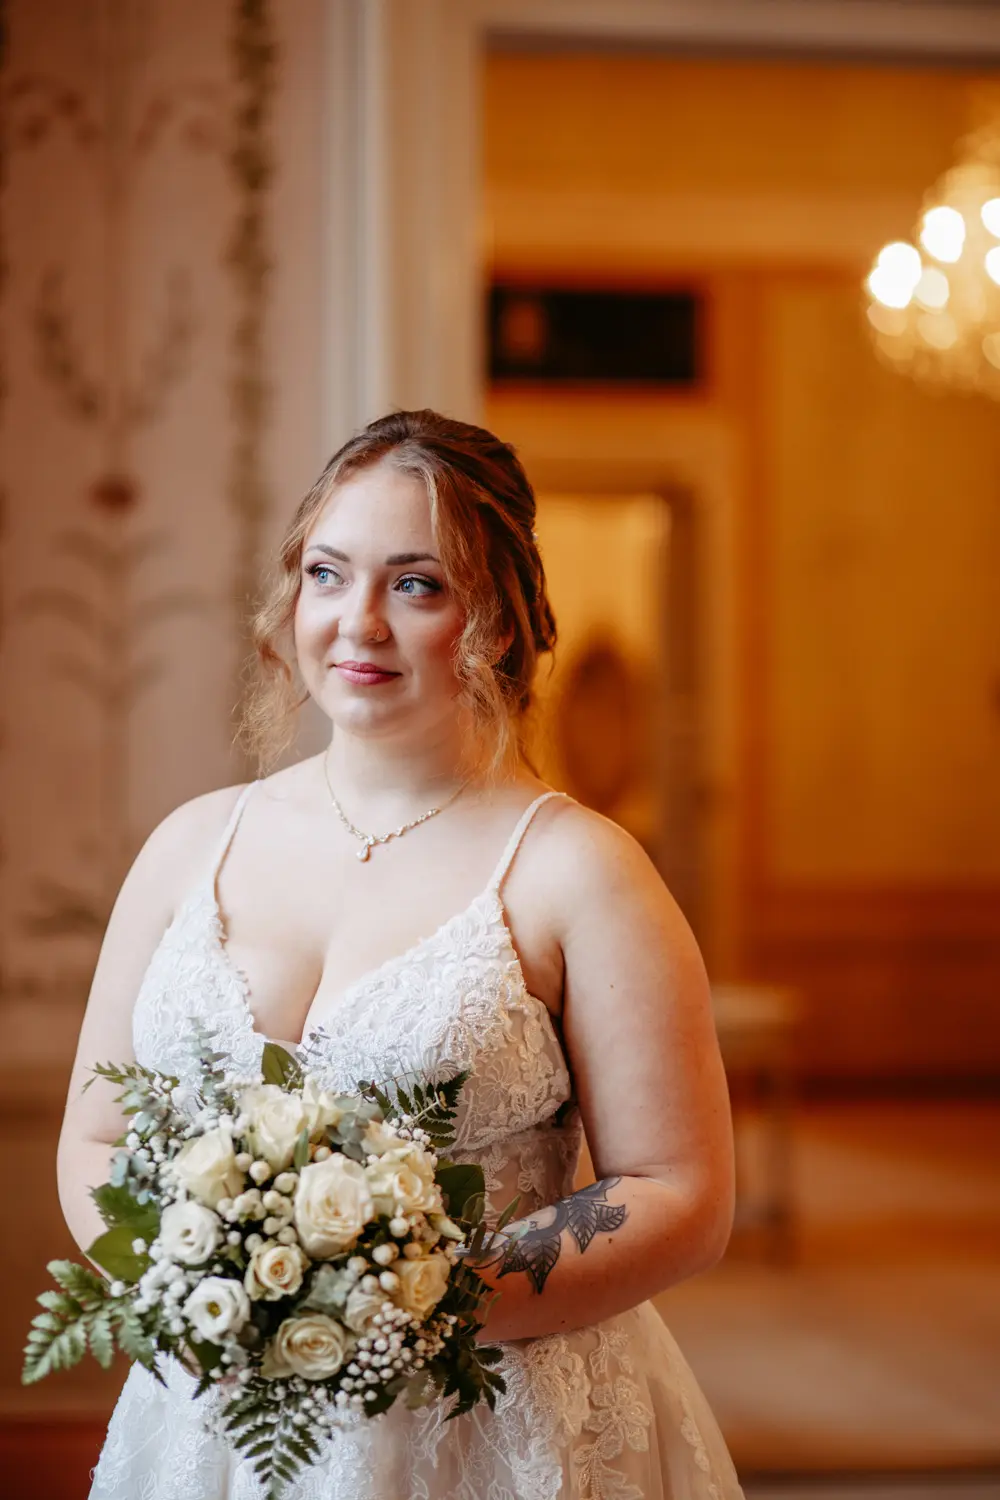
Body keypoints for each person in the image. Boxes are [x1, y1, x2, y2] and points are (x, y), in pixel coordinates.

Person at [60, 409, 745, 1498]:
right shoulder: (191, 845)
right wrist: (208, 1292)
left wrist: (423, 1299)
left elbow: (680, 1191)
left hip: (491, 1432)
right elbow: (97, 1137)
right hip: (218, 1419)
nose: (357, 622)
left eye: (416, 584)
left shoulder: (579, 871)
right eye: (328, 574)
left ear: (504, 623)